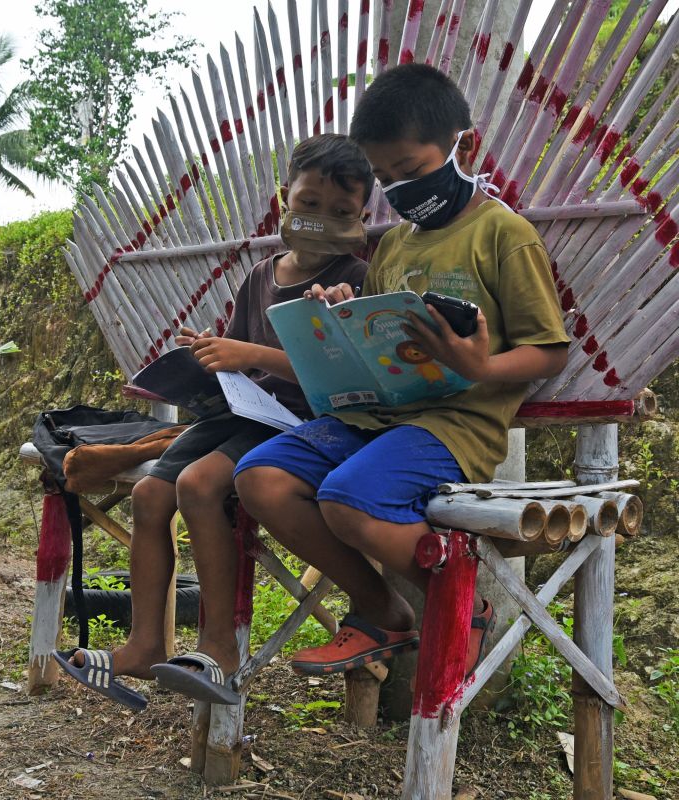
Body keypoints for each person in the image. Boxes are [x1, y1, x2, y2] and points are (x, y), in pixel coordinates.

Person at [152, 63, 570, 704]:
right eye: (389, 178)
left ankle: (458, 602)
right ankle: (381, 610)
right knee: (260, 478)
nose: (401, 188)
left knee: (346, 497)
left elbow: (549, 351)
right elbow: (372, 337)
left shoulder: (502, 235)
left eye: (410, 168)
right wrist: (343, 310)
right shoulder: (396, 245)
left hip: (455, 426)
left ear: (458, 139)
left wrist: (480, 367)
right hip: (378, 415)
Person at [54, 134, 373, 709]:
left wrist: (247, 355)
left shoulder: (353, 279)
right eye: (309, 204)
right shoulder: (260, 276)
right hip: (242, 411)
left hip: (299, 425)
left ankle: (219, 649)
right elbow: (241, 356)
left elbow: (339, 382)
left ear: (362, 218)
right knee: (151, 495)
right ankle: (145, 644)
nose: (321, 221)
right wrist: (212, 355)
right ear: (284, 200)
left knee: (198, 485)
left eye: (341, 213)